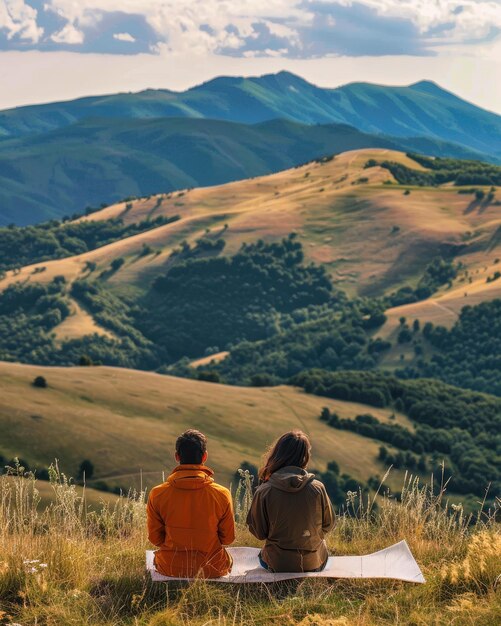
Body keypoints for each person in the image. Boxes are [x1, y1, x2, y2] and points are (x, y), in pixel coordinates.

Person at [147, 429, 235, 578]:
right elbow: (228, 539)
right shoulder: (222, 494)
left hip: (170, 568)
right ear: (205, 456)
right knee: (229, 559)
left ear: (177, 456)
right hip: (212, 568)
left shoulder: (157, 494)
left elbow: (155, 539)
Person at [246, 430, 334, 572]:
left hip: (277, 563)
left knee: (263, 555)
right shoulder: (318, 488)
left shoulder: (264, 491)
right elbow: (329, 525)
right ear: (305, 457)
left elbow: (259, 533)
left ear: (277, 454)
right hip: (313, 562)